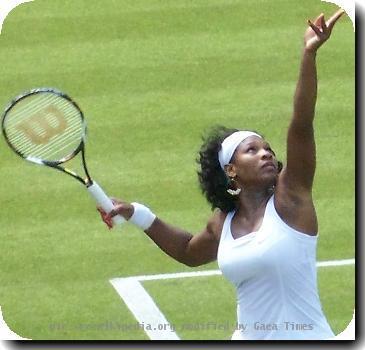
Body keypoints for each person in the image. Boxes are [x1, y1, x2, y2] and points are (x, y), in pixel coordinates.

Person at [98, 9, 346, 340]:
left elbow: (301, 125)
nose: (267, 153)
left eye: (268, 148)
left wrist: (309, 54)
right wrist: (136, 213)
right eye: (252, 150)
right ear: (231, 170)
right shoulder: (223, 222)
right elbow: (188, 251)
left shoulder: (291, 201)